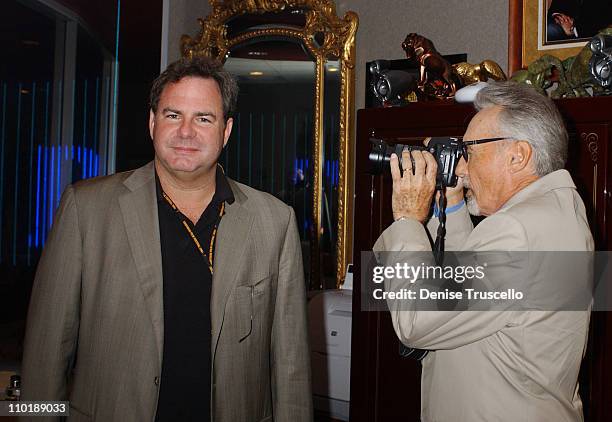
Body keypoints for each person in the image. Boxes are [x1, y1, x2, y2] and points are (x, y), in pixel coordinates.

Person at [20, 57, 313, 422]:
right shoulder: (87, 209)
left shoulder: (274, 222)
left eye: (203, 118)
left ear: (226, 131)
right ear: (152, 122)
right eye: (173, 115)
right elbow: (44, 355)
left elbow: (291, 368)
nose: (186, 132)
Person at [374, 81, 593, 421]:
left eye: (470, 152)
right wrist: (452, 207)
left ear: (517, 155)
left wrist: (407, 219)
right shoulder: (558, 210)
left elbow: (417, 320)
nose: (461, 168)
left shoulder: (518, 232)